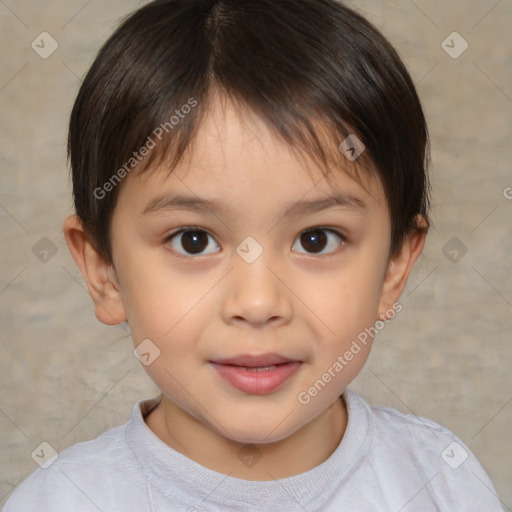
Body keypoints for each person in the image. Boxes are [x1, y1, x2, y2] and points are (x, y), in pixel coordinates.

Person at [3, 0, 504, 510]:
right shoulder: (60, 501)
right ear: (103, 271)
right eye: (193, 240)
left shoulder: (444, 482)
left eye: (317, 239)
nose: (259, 302)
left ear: (395, 268)